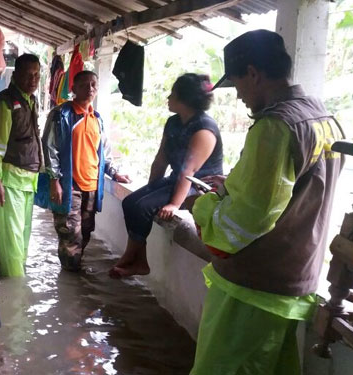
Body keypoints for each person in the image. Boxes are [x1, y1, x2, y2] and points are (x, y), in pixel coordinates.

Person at [190, 30, 345, 374]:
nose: (240, 96)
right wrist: (233, 184)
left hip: (253, 286)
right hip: (294, 279)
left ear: (254, 74)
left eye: (238, 83)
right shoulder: (325, 119)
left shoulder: (274, 126)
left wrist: (206, 207)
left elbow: (249, 219)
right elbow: (295, 192)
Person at [109, 73, 223, 278]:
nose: (168, 98)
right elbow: (161, 160)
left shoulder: (204, 129)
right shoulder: (174, 122)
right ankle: (140, 260)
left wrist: (173, 205)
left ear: (184, 100)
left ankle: (131, 257)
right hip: (176, 180)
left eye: (173, 94)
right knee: (131, 202)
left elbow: (190, 172)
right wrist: (150, 188)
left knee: (144, 207)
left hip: (199, 185)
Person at [35, 70, 130, 271]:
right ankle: (71, 282)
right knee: (70, 235)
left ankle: (73, 275)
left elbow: (103, 152)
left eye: (94, 84)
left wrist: (114, 173)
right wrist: (55, 180)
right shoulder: (62, 115)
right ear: (73, 89)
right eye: (84, 85)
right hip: (70, 186)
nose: (90, 89)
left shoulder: (97, 119)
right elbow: (49, 147)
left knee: (85, 233)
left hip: (92, 187)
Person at [0, 54, 43, 277]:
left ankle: (17, 290)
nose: (33, 79)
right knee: (12, 242)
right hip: (9, 182)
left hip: (28, 182)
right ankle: (15, 295)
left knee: (23, 240)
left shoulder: (31, 101)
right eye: (28, 74)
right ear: (15, 74)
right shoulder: (3, 104)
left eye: (37, 74)